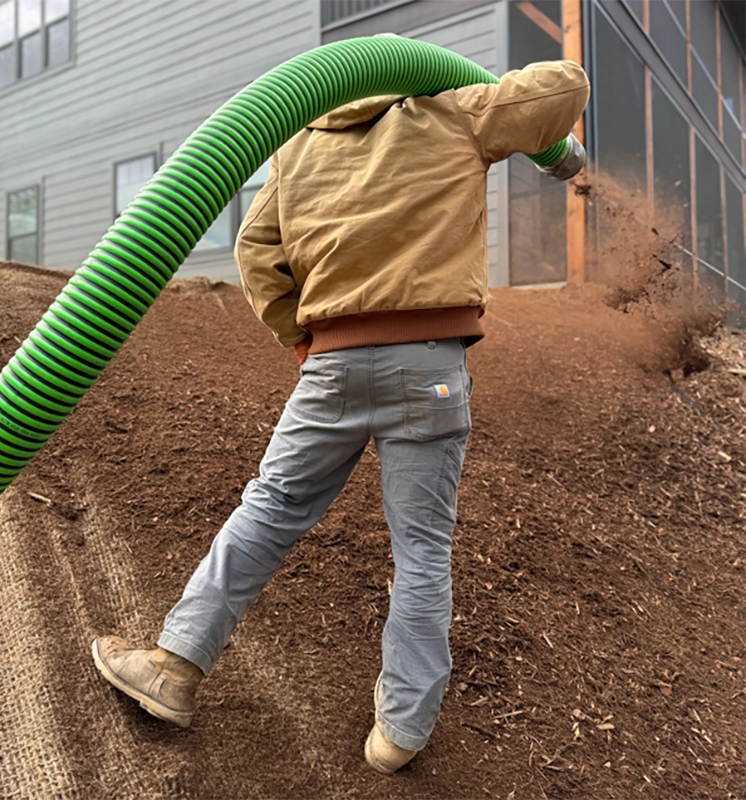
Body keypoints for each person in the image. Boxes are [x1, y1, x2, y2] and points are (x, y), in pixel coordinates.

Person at [92, 52, 590, 775]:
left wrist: (301, 335)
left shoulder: (301, 147)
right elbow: (566, 84)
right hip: (430, 365)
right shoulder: (457, 111)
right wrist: (504, 113)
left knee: (269, 508)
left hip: (331, 363)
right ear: (413, 70)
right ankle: (401, 733)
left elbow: (256, 248)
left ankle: (174, 665)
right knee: (421, 549)